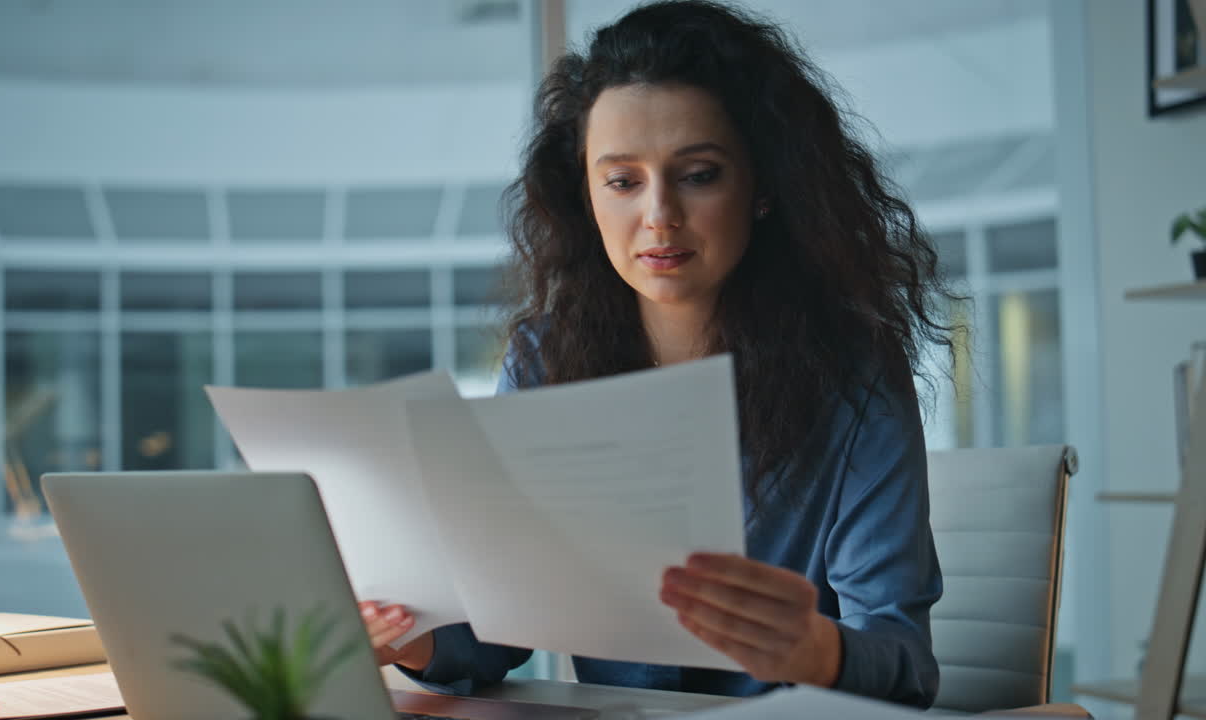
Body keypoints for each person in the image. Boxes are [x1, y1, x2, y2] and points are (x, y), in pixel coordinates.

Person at [358, 0, 962, 709]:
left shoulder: (854, 372)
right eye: (622, 181)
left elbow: (904, 664)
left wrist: (818, 651)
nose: (659, 216)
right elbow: (500, 626)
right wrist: (409, 636)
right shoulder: (544, 359)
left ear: (764, 186)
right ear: (586, 192)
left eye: (699, 174)